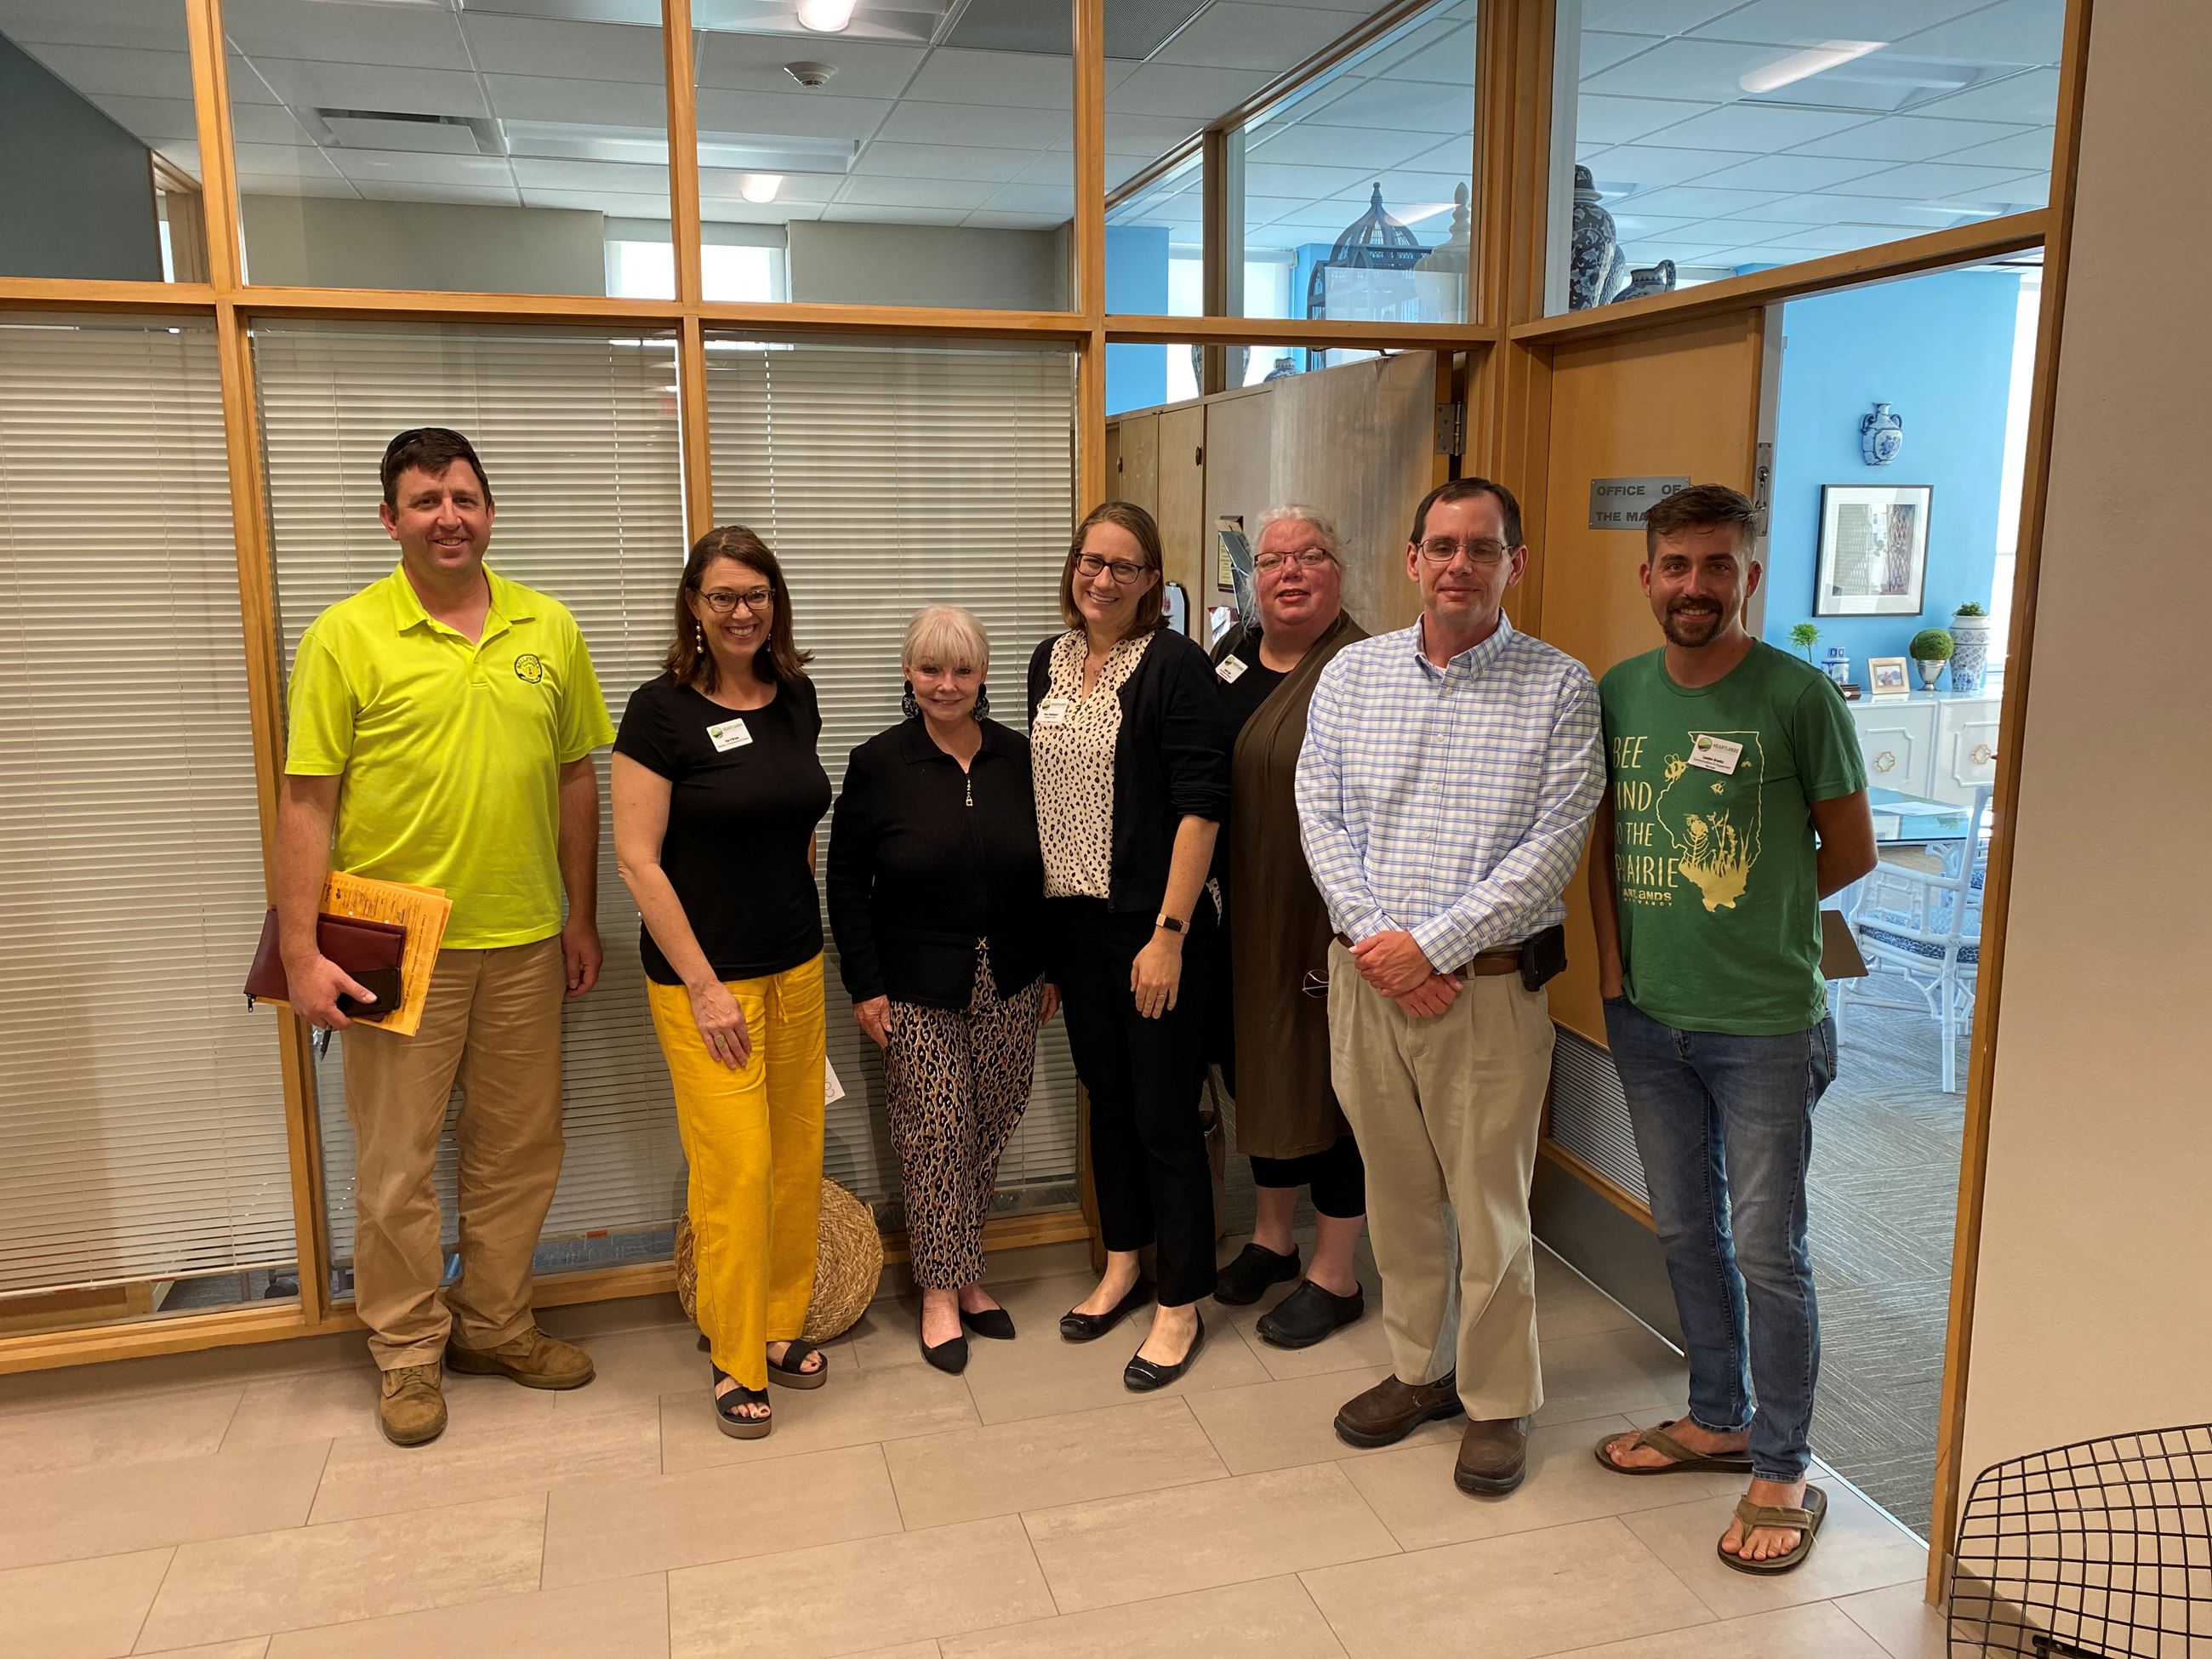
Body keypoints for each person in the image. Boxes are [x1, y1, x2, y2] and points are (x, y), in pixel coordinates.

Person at [277, 426, 612, 1447]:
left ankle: (495, 1325)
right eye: (424, 501)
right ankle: (407, 1352)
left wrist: (581, 914)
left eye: (463, 497)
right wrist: (301, 950)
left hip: (523, 934)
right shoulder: (346, 635)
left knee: (519, 1152)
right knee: (395, 1166)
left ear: (490, 512)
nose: (447, 516)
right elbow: (306, 803)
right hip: (391, 939)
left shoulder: (545, 627)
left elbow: (572, 779)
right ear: (391, 520)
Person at [1297, 476, 1604, 1497]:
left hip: (1487, 991)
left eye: (1482, 548)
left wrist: (1427, 947)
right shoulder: (1350, 678)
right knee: (1398, 1196)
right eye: (1441, 546)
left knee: (1489, 1204)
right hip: (1368, 986)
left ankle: (1498, 1401)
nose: (1458, 565)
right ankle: (1417, 1370)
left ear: (1514, 563)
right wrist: (1380, 944)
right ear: (1412, 560)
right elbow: (1320, 817)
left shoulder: (1560, 688)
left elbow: (1549, 851)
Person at [1589, 483, 1875, 1574]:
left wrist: (1751, 906)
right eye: (1676, 566)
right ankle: (1714, 1415)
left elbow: (1847, 854)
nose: (1694, 586)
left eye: (1717, 566)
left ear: (1748, 575)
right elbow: (1606, 843)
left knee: (1767, 1247)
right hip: (1649, 1018)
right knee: (1681, 1229)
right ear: (1647, 574)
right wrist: (1616, 973)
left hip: (1759, 1020)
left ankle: (1782, 1462)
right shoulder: (1619, 692)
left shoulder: (1796, 697)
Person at [611, 526, 832, 1440]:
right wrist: (703, 984)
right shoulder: (658, 712)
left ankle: (779, 1325)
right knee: (734, 1171)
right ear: (694, 608)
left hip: (796, 967)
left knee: (791, 1160)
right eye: (723, 597)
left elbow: (796, 823)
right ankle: (734, 1353)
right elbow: (634, 860)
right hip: (705, 983)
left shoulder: (795, 697)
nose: (741, 612)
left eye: (757, 595)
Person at [826, 606, 1059, 1374]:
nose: (946, 684)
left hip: (1015, 979)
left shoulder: (1019, 758)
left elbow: (1052, 872)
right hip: (916, 988)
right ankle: (937, 1290)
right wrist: (865, 985)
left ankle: (966, 1276)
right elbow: (847, 886)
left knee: (989, 1127)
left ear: (983, 675)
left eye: (961, 669)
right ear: (909, 674)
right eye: (931, 669)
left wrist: (1050, 965)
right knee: (935, 1134)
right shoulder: (879, 765)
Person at [1030, 501, 1229, 1391]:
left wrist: (1169, 935)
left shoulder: (1176, 668)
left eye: (1122, 566)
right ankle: (1120, 1263)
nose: (1101, 578)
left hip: (1155, 930)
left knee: (1161, 1114)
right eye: (1089, 561)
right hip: (1076, 927)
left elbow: (1200, 806)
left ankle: (1179, 1301)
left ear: (1151, 579)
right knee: (1104, 1103)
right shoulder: (1052, 658)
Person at [1206, 504, 1371, 1349]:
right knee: (1256, 1072)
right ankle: (1272, 1238)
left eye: (1310, 555)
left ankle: (1335, 1273)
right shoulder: (1231, 655)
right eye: (1272, 560)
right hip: (1242, 912)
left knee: (1329, 1088)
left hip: (1323, 918)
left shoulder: (1365, 667)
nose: (1289, 573)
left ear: (1338, 570)